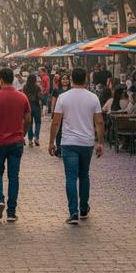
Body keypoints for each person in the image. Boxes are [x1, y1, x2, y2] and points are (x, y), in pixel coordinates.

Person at [48, 67, 103, 225]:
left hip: (69, 143)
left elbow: (56, 122)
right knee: (84, 175)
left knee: (71, 177)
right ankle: (84, 208)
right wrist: (100, 142)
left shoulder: (63, 97)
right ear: (85, 78)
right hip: (86, 142)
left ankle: (73, 212)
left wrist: (51, 142)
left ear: (71, 79)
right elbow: (99, 122)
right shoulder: (93, 98)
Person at [0, 67, 30, 222]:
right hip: (16, 142)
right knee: (13, 176)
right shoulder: (22, 97)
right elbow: (28, 119)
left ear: (0, 79)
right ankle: (11, 212)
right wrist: (23, 133)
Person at [22, 73, 42, 147]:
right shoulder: (37, 87)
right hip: (36, 106)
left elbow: (24, 97)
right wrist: (41, 108)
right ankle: (36, 138)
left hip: (28, 106)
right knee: (38, 122)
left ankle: (30, 140)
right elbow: (39, 98)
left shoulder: (25, 87)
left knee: (29, 123)